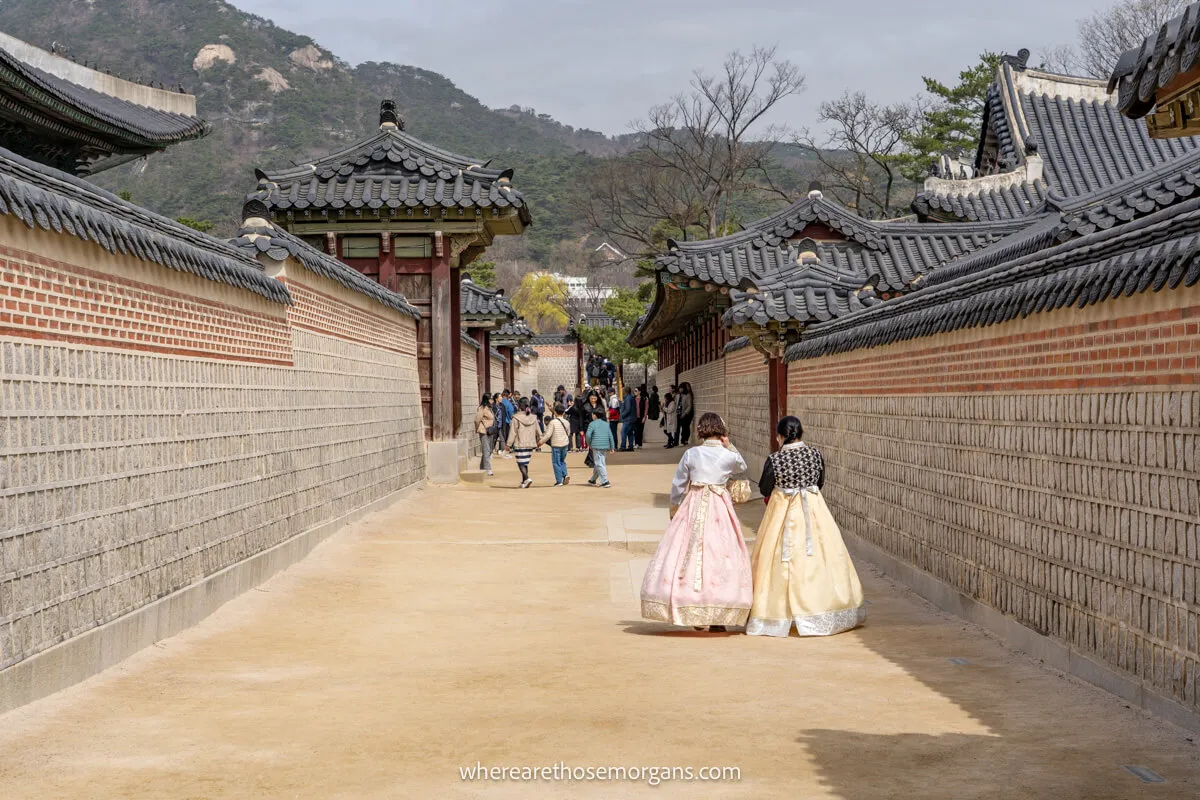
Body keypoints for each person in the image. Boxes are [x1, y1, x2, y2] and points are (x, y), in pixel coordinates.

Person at [749, 417, 865, 637]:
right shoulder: (815, 454)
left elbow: (765, 488)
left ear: (780, 436)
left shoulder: (775, 459)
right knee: (821, 556)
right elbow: (820, 482)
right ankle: (821, 608)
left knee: (780, 560)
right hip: (814, 510)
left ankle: (778, 612)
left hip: (783, 512)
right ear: (801, 433)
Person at [640, 413, 752, 630]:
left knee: (688, 553)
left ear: (701, 430)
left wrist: (675, 506)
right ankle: (719, 612)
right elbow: (742, 466)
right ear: (721, 431)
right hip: (720, 506)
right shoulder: (727, 456)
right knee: (720, 553)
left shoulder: (692, 454)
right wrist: (729, 446)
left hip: (694, 502)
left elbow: (678, 484)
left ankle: (693, 608)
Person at [507, 397, 539, 488]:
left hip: (519, 443)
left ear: (519, 406)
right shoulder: (533, 417)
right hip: (530, 444)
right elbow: (538, 430)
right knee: (524, 463)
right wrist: (540, 439)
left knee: (520, 463)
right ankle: (524, 481)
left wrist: (508, 444)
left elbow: (512, 433)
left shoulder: (516, 418)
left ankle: (527, 478)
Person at [540, 402, 572, 486]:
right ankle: (565, 475)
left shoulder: (552, 422)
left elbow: (548, 435)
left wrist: (541, 442)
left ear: (555, 412)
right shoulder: (567, 422)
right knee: (562, 461)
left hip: (556, 445)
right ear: (564, 413)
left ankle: (559, 481)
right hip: (565, 444)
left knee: (556, 462)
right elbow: (568, 433)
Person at [585, 409, 615, 488]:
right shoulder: (606, 424)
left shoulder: (592, 424)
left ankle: (605, 481)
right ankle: (593, 480)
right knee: (599, 463)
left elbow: (588, 435)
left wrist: (589, 444)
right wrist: (612, 447)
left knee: (599, 464)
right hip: (605, 446)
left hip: (596, 446)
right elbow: (610, 436)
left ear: (594, 415)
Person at [474, 394, 497, 476]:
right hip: (484, 431)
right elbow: (477, 420)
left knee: (489, 450)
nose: (493, 400)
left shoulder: (490, 408)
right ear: (487, 399)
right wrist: (479, 428)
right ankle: (488, 469)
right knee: (486, 449)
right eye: (491, 398)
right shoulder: (482, 408)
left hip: (490, 431)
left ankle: (482, 468)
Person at [499, 389, 516, 458]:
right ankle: (505, 451)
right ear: (509, 395)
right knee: (506, 438)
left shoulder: (499, 402)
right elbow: (511, 413)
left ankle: (498, 450)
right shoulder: (508, 403)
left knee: (498, 437)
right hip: (506, 422)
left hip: (498, 422)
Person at [635, 384, 649, 449]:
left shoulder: (644, 399)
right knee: (635, 430)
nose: (634, 392)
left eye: (636, 391)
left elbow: (646, 408)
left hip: (641, 417)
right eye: (634, 391)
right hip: (635, 417)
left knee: (640, 431)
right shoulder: (633, 399)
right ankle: (636, 443)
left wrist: (644, 417)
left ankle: (640, 444)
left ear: (639, 392)